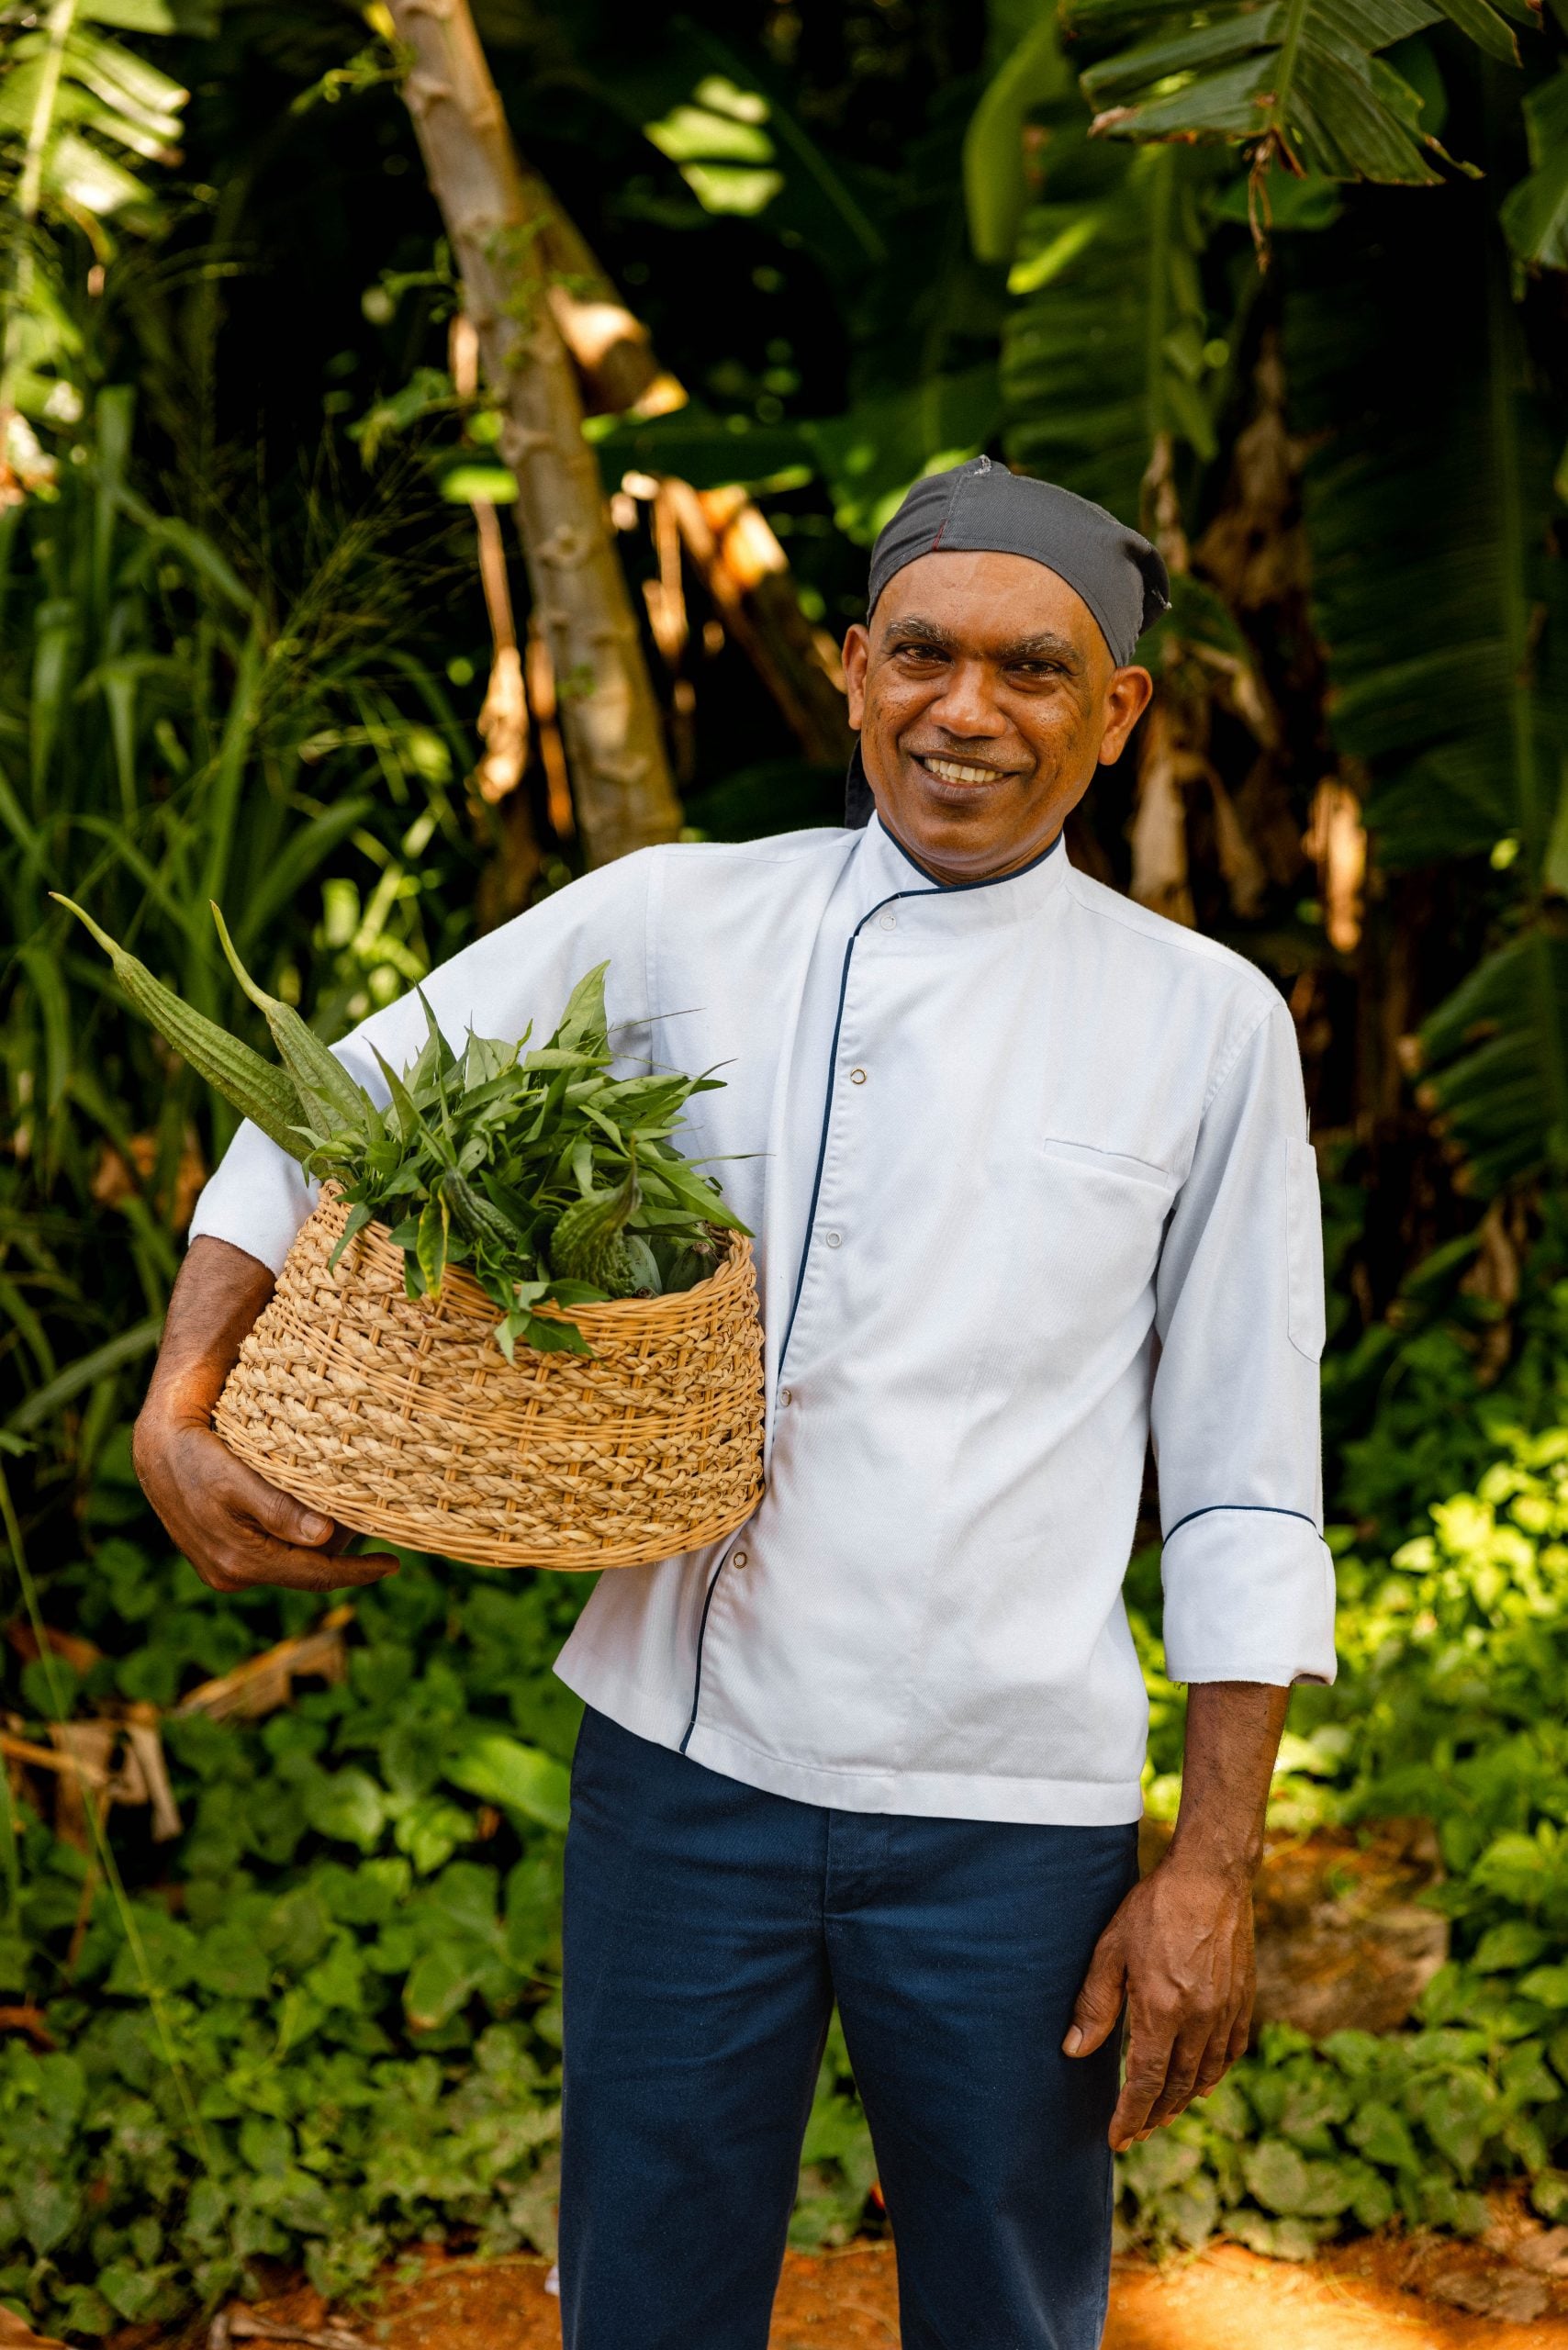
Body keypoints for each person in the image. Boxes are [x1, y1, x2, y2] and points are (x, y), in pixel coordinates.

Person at [136, 456, 1336, 2350]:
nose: (965, 709)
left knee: (1010, 2310)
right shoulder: (677, 920)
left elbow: (1247, 1477)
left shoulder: (1203, 1023)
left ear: (1114, 714)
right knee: (646, 2299)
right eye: (921, 653)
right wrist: (184, 1387)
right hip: (683, 1775)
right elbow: (331, 1103)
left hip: (1007, 1802)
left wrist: (1207, 1863)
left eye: (1032, 669)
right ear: (854, 669)